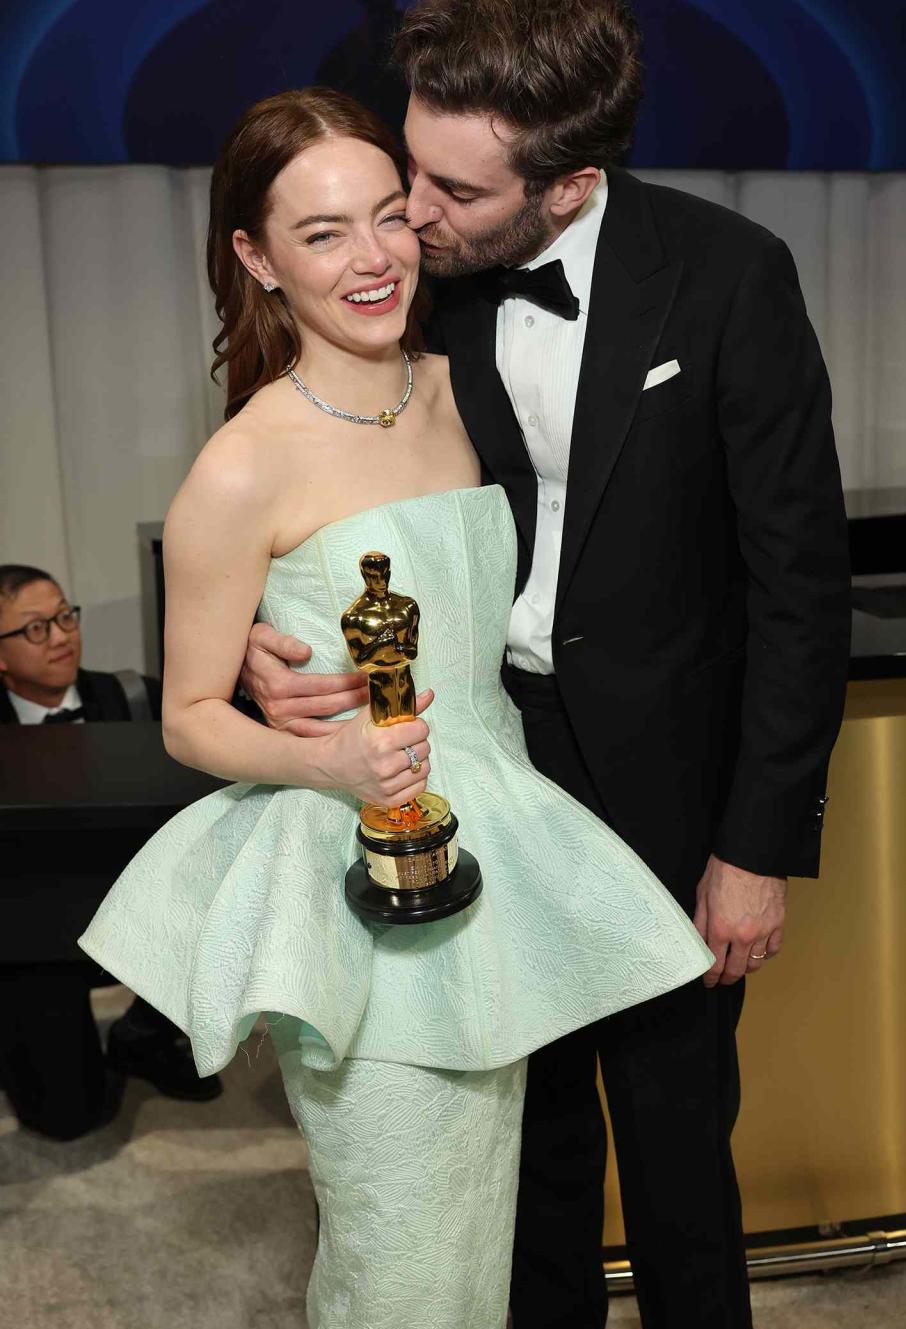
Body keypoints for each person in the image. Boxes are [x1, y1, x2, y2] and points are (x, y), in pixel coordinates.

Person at [240, 0, 852, 1329]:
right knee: (529, 1153)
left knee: (681, 1147)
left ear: (569, 183)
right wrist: (262, 660)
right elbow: (303, 498)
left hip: (669, 793)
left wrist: (756, 849)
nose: (412, 215)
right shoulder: (406, 286)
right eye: (411, 167)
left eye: (452, 191)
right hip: (481, 765)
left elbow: (801, 590)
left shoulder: (730, 277)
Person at [78, 87, 711, 1329]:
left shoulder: (451, 383)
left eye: (388, 218)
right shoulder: (242, 465)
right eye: (322, 234)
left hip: (502, 846)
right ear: (257, 258)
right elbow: (192, 717)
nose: (372, 259)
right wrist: (336, 770)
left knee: (485, 1234)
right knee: (400, 1257)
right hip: (358, 878)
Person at [0, 564, 221, 1140]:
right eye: (35, 629)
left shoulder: (135, 697)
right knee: (68, 1118)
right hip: (28, 936)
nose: (62, 636)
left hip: (137, 904)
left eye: (66, 616)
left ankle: (142, 1035)